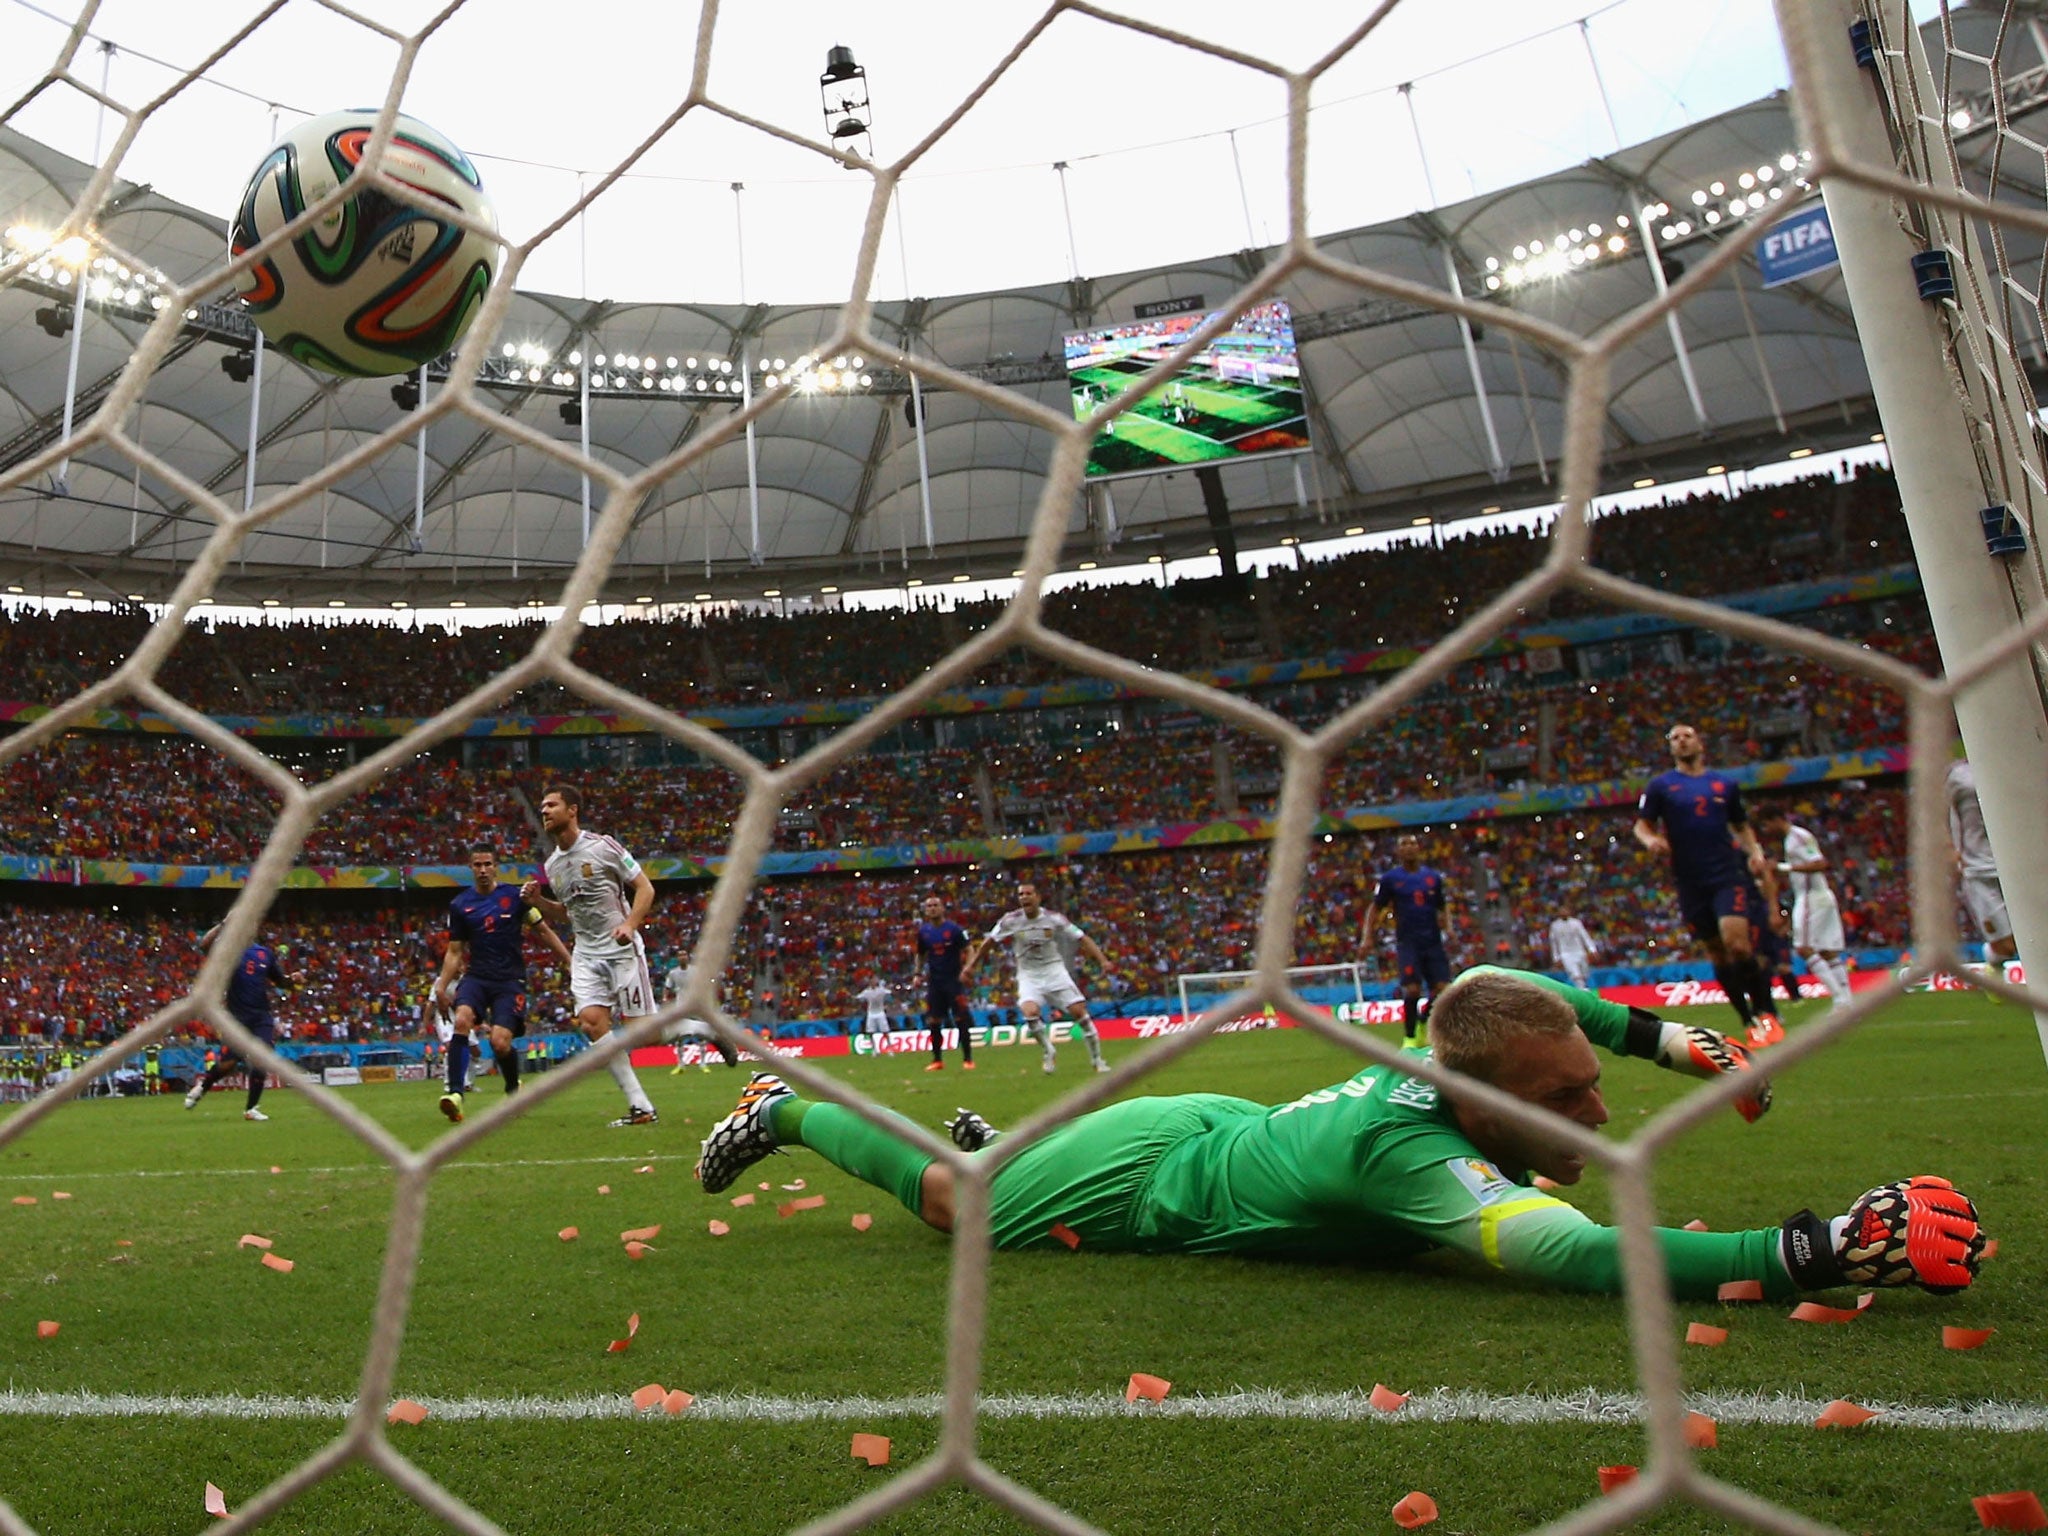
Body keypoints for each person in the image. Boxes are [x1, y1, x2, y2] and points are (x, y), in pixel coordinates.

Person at [692, 966, 1987, 1303]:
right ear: (1481, 1105)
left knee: (996, 1169)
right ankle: (785, 1108)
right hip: (1152, 1179)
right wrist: (1811, 1248)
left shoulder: (1469, 1040)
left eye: (1590, 1088)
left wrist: (1676, 1046)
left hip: (1211, 1127)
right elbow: (1574, 1255)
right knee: (957, 1203)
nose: (1597, 1117)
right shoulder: (1410, 1157)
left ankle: (1016, 1139)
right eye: (1563, 1104)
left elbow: (1537, 998)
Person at [1632, 724, 1785, 1046]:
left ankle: (1765, 1011)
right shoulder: (1661, 786)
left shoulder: (1724, 785)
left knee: (1737, 944)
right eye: (1674, 738)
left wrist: (1755, 852)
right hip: (1689, 881)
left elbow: (1741, 826)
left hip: (1726, 875)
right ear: (1670, 748)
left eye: (1686, 736)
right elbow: (1642, 826)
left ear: (1700, 743)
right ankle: (1747, 1020)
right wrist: (1651, 840)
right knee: (1717, 953)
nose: (1681, 741)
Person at [519, 785, 661, 1128]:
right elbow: (570, 913)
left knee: (646, 1036)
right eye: (541, 806)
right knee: (592, 1023)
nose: (544, 811)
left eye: (552, 805)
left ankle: (701, 1028)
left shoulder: (603, 846)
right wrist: (539, 902)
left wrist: (630, 924)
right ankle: (640, 1106)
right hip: (586, 952)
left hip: (621, 948)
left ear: (573, 810)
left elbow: (645, 888)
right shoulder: (552, 864)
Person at [432, 845, 571, 1123]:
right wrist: (440, 986)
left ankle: (512, 1089)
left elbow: (543, 931)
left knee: (499, 1042)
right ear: (470, 868)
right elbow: (455, 951)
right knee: (462, 1021)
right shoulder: (460, 905)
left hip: (509, 981)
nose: (483, 870)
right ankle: (455, 1094)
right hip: (477, 978)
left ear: (496, 867)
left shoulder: (515, 898)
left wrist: (569, 961)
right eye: (477, 865)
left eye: (487, 864)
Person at [961, 881, 1112, 1074]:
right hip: (1028, 974)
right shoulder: (1011, 920)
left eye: (1028, 893)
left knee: (1078, 1012)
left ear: (1038, 897)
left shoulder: (1054, 918)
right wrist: (971, 966)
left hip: (1054, 970)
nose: (1024, 897)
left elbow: (1082, 938)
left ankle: (1097, 1060)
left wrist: (1103, 960)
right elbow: (989, 942)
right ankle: (1049, 1050)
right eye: (1021, 894)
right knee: (1030, 1012)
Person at [184, 925, 300, 1122]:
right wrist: (223, 924)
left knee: (262, 1058)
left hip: (261, 1016)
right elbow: (204, 946)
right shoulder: (229, 952)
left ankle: (251, 1109)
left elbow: (280, 981)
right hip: (237, 1018)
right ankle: (204, 1086)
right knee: (227, 1064)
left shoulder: (264, 953)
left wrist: (292, 979)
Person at [1753, 806, 1852, 1008]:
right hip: (1818, 896)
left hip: (1811, 897)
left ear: (1776, 819)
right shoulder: (1793, 838)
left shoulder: (1797, 837)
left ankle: (1840, 999)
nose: (1766, 830)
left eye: (1766, 824)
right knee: (1827, 952)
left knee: (1803, 948)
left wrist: (1783, 867)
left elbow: (1820, 864)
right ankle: (1848, 1002)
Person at [1359, 834, 1452, 1045]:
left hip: (1433, 942)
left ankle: (1423, 1020)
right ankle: (1410, 1038)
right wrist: (1367, 937)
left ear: (1418, 848)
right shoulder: (1390, 879)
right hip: (1408, 943)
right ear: (1398, 851)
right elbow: (1375, 908)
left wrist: (1449, 927)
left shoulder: (1432, 878)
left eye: (1412, 843)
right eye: (1404, 844)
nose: (1409, 847)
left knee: (1443, 990)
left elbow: (1443, 905)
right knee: (1412, 989)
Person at [1946, 757, 2015, 963]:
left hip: (2015, 867)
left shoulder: (2011, 764)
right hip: (1979, 871)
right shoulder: (1958, 776)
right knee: (2007, 946)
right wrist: (1951, 850)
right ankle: (1993, 959)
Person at [914, 894, 975, 1072]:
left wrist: (967, 969)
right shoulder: (924, 932)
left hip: (953, 981)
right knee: (933, 1020)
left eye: (935, 905)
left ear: (942, 908)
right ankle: (937, 1060)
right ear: (925, 911)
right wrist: (917, 973)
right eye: (929, 906)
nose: (932, 908)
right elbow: (920, 954)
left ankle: (968, 1059)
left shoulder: (954, 929)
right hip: (935, 982)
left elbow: (969, 949)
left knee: (960, 1018)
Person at [662, 952, 741, 1073]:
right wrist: (665, 999)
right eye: (680, 955)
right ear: (677, 958)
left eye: (684, 955)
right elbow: (667, 988)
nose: (683, 957)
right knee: (679, 1037)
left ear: (687, 957)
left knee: (703, 1035)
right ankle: (680, 1065)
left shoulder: (695, 971)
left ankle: (703, 1064)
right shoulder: (673, 973)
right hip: (681, 1007)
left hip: (696, 1005)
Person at [1546, 912, 1597, 990]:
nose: (1564, 912)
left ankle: (1583, 986)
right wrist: (1556, 958)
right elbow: (1554, 943)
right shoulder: (1555, 926)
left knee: (1585, 973)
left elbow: (1584, 936)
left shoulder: (1576, 923)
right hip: (1566, 954)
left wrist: (1592, 949)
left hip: (1579, 951)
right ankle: (1582, 989)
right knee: (1575, 974)